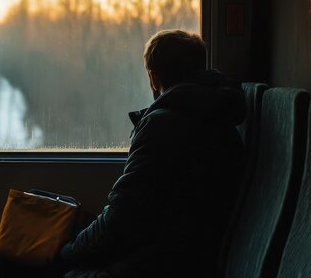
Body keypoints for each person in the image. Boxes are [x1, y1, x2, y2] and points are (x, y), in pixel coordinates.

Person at [59, 30, 246, 277]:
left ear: (154, 78)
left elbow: (125, 215)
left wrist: (67, 251)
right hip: (193, 251)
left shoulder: (163, 125)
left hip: (167, 261)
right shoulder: (220, 116)